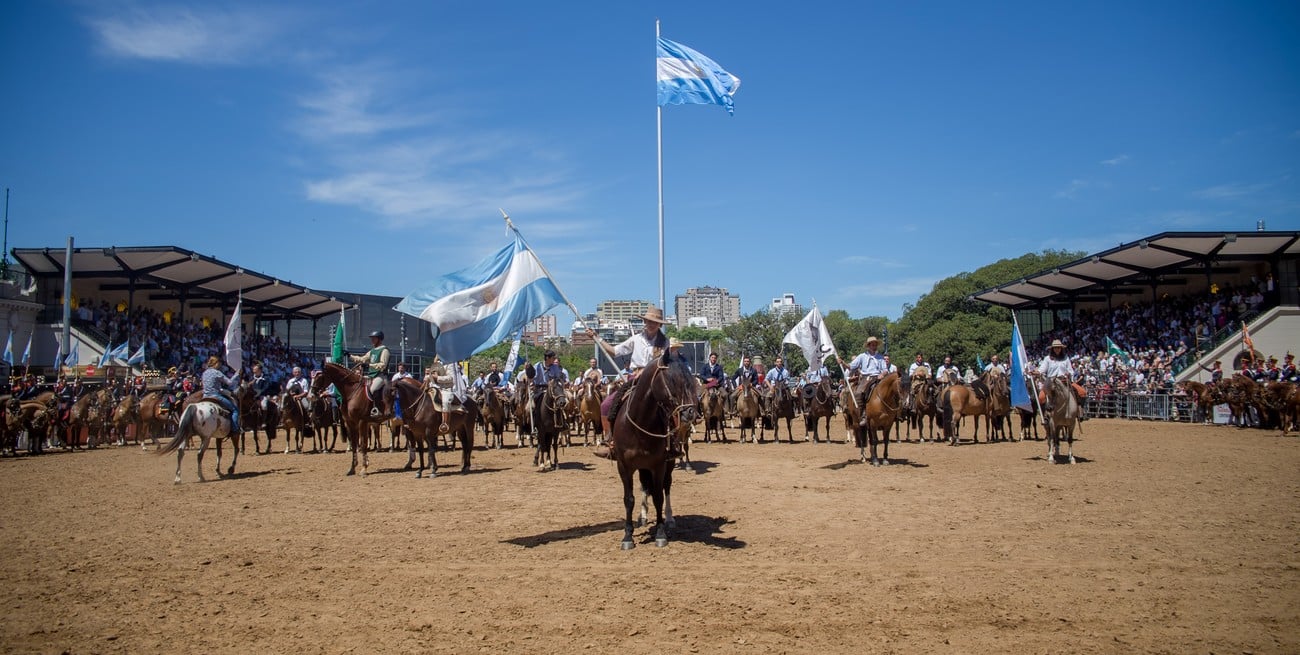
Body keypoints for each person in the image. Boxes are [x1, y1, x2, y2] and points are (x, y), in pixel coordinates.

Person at [838, 336, 888, 428]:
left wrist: (883, 374)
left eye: (875, 344)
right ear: (868, 346)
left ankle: (892, 412)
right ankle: (862, 415)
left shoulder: (880, 357)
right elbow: (851, 366)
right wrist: (843, 363)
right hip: (866, 378)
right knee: (858, 393)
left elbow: (885, 369)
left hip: (878, 377)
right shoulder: (862, 356)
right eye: (872, 344)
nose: (874, 346)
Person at [1037, 339, 1085, 418]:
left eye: (1059, 347)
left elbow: (1070, 370)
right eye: (1055, 348)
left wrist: (1069, 374)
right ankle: (1045, 415)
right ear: (1052, 349)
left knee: (1082, 392)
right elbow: (1042, 369)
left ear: (1061, 348)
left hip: (1064, 381)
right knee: (1041, 397)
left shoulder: (1066, 358)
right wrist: (1037, 372)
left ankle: (1080, 410)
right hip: (1051, 382)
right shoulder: (1047, 359)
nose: (1057, 349)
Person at [349, 330, 391, 416]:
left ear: (379, 339)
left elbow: (383, 365)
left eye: (374, 339)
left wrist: (370, 365)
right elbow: (362, 359)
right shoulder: (372, 351)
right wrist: (350, 356)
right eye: (371, 339)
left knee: (373, 389)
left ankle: (377, 409)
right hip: (371, 375)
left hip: (381, 376)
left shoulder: (384, 350)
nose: (372, 340)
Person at [199, 355, 240, 434]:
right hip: (215, 395)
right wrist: (237, 374)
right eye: (219, 363)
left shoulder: (205, 372)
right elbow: (229, 383)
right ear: (216, 363)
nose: (220, 365)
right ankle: (235, 429)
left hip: (205, 396)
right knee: (235, 410)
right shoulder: (217, 372)